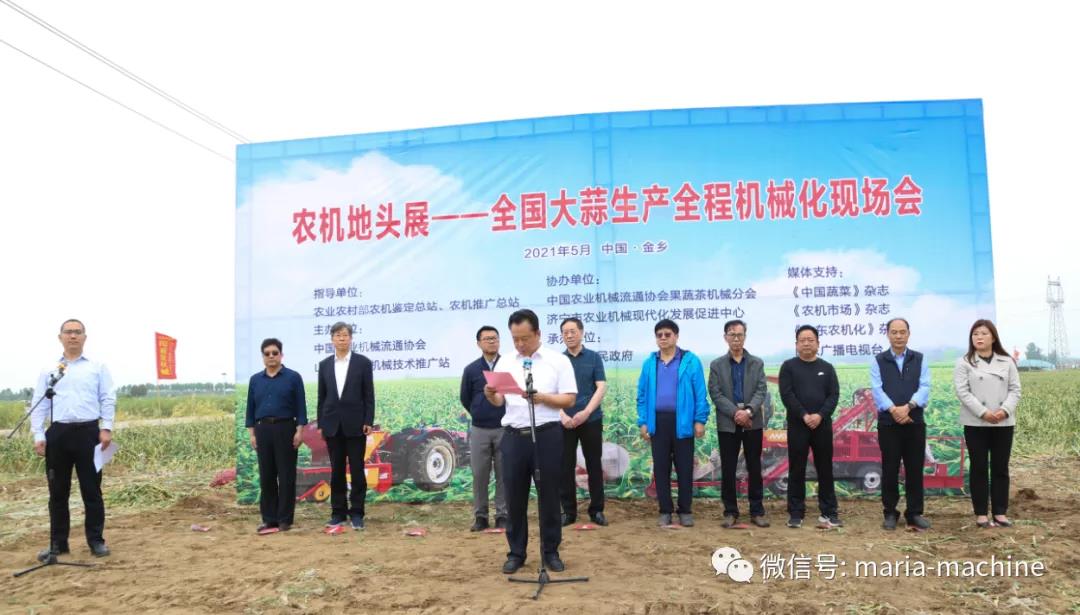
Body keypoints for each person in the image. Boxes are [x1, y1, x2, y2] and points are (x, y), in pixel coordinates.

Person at [484, 309, 577, 574]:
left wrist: (544, 398)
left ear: (538, 333)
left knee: (549, 496)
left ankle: (550, 552)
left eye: (525, 338)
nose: (520, 344)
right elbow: (499, 401)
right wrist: (490, 394)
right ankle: (516, 553)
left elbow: (570, 398)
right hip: (514, 437)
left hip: (547, 435)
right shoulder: (505, 362)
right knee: (514, 498)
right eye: (515, 339)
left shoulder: (557, 361)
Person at [31, 319, 116, 560]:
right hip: (58, 434)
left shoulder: (97, 367)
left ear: (84, 337)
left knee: (92, 490)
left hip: (89, 433)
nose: (73, 336)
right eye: (68, 332)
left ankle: (96, 541)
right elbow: (40, 402)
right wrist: (39, 434)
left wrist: (106, 428)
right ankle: (58, 544)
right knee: (58, 492)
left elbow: (107, 397)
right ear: (60, 337)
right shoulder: (50, 369)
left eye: (78, 332)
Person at [636, 319, 709, 527]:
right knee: (661, 469)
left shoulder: (690, 361)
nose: (663, 338)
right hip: (658, 423)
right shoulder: (650, 363)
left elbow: (700, 393)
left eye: (667, 334)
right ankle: (665, 510)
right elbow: (642, 396)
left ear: (676, 336)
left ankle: (685, 510)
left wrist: (699, 420)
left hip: (683, 422)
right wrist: (643, 422)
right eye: (659, 335)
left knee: (684, 468)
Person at [953, 319, 1021, 529]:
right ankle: (981, 514)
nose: (979, 337)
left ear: (993, 337)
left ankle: (1000, 512)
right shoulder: (964, 362)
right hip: (976, 422)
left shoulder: (1006, 361)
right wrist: (983, 412)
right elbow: (962, 391)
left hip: (1003, 422)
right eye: (975, 334)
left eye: (983, 333)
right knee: (979, 467)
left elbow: (1015, 390)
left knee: (1000, 467)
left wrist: (1004, 410)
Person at [869, 317, 932, 531]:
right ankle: (890, 512)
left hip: (914, 422)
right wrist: (894, 410)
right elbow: (877, 389)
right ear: (887, 334)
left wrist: (908, 406)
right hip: (889, 424)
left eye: (902, 332)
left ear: (908, 334)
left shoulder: (919, 359)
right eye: (894, 332)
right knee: (890, 468)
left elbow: (924, 386)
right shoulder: (879, 360)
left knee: (914, 469)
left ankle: (914, 513)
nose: (898, 336)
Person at [707, 319, 770, 528]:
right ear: (725, 337)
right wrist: (736, 412)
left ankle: (757, 511)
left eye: (740, 334)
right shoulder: (717, 365)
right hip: (728, 422)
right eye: (732, 334)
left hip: (753, 422)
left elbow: (761, 390)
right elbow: (715, 393)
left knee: (754, 467)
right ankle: (730, 511)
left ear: (745, 337)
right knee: (728, 468)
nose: (736, 338)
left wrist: (749, 411)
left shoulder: (757, 363)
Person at [778, 325, 841, 529]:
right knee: (797, 468)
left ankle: (829, 512)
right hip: (798, 425)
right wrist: (804, 415)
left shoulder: (827, 368)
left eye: (810, 340)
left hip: (822, 425)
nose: (806, 343)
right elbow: (787, 395)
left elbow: (833, 395)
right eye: (802, 340)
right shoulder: (789, 367)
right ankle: (796, 513)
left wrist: (820, 415)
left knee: (825, 468)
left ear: (818, 343)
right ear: (796, 344)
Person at [317, 322, 375, 530]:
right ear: (332, 339)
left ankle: (357, 513)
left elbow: (369, 395)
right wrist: (321, 423)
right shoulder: (325, 365)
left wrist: (368, 420)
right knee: (337, 471)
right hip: (332, 425)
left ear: (351, 339)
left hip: (356, 425)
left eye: (345, 335)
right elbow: (322, 397)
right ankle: (338, 513)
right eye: (338, 335)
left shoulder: (362, 363)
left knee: (357, 470)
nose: (341, 338)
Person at [245, 338, 307, 534]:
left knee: (286, 476)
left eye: (275, 353)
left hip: (286, 428)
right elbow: (250, 409)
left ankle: (284, 519)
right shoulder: (255, 380)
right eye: (267, 354)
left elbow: (301, 408)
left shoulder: (293, 377)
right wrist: (252, 434)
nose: (271, 356)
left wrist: (299, 431)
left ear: (281, 355)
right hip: (262, 430)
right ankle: (269, 519)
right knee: (267, 476)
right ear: (263, 357)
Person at [559, 317, 609, 527]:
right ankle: (568, 511)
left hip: (591, 419)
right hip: (565, 422)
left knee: (594, 464)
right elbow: (552, 391)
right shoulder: (558, 360)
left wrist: (587, 412)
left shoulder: (594, 357)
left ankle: (596, 510)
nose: (569, 335)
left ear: (581, 332)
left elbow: (601, 387)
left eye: (573, 331)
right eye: (565, 332)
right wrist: (562, 415)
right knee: (565, 466)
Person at [458, 325, 507, 531]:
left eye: (495, 338)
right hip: (479, 429)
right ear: (479, 343)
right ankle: (480, 516)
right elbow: (465, 397)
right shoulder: (471, 369)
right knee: (480, 474)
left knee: (504, 474)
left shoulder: (508, 365)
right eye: (487, 339)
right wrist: (478, 410)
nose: (492, 341)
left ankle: (503, 515)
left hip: (504, 428)